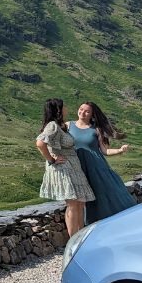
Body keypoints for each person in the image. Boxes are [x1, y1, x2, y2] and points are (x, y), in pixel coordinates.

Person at [70, 101, 136, 224]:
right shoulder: (68, 126)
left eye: (87, 111)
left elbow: (105, 151)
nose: (82, 112)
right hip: (76, 168)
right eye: (81, 109)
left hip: (96, 168)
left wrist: (120, 150)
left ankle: (114, 223)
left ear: (92, 114)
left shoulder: (96, 130)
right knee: (80, 200)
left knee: (102, 195)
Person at [35, 98, 94, 236]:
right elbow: (40, 143)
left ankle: (81, 237)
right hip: (64, 167)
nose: (67, 108)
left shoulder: (60, 126)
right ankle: (73, 240)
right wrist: (51, 159)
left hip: (72, 166)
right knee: (73, 203)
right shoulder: (52, 125)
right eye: (64, 106)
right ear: (59, 110)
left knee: (79, 202)